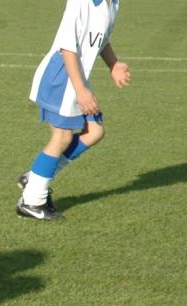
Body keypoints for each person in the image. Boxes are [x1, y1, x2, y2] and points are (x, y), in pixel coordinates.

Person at [17, 0, 129, 220]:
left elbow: (101, 39)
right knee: (62, 137)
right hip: (61, 77)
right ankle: (31, 202)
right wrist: (81, 90)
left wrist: (113, 64)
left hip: (76, 80)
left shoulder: (113, 3)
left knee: (95, 131)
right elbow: (67, 46)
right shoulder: (81, 1)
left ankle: (35, 177)